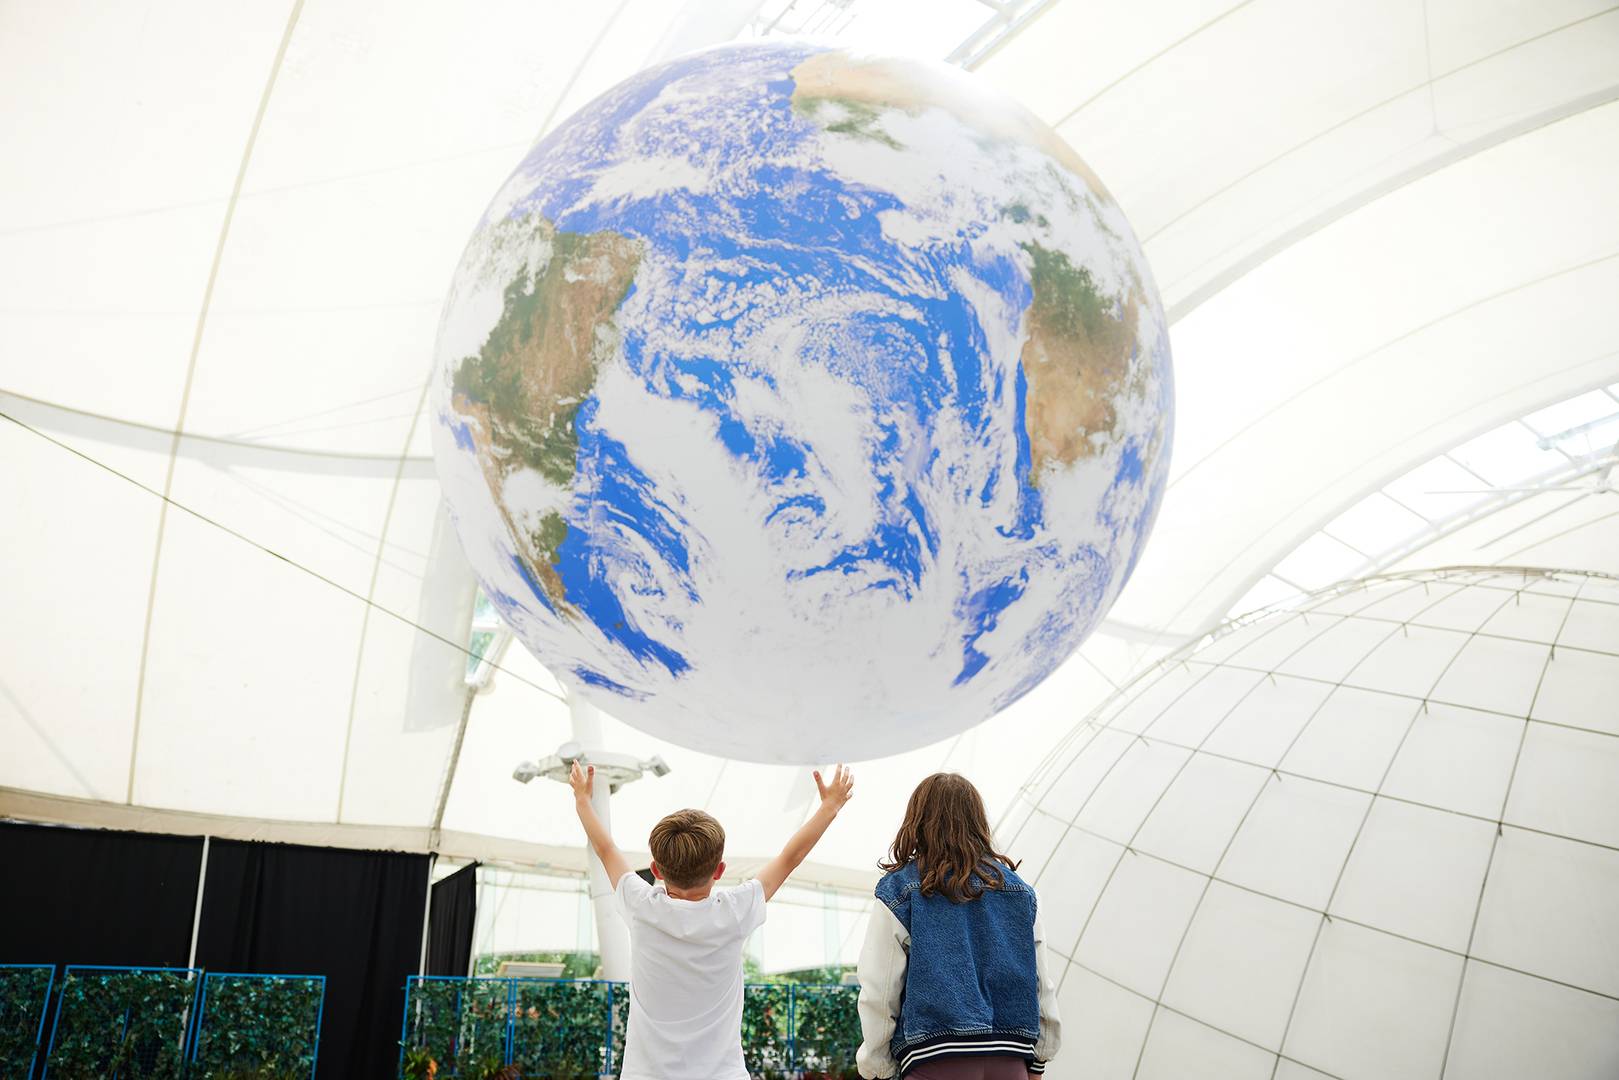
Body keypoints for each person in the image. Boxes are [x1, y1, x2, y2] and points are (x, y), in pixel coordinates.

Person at [569, 759, 856, 1080]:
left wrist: (583, 800)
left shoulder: (640, 906)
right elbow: (791, 857)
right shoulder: (735, 910)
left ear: (657, 871)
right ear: (720, 870)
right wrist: (830, 806)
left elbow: (605, 848)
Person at [856, 773, 1060, 1079]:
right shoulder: (1021, 893)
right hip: (1010, 1059)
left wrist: (878, 1067)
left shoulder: (900, 890)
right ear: (978, 822)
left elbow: (879, 989)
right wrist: (1038, 1061)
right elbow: (1042, 985)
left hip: (933, 1059)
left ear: (918, 821)